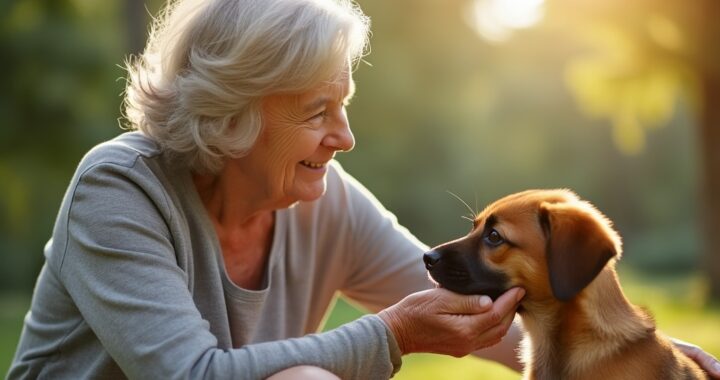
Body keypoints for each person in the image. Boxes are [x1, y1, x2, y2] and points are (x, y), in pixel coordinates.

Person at [7, 0, 719, 379]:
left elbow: (474, 312)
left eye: (344, 107)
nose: (345, 137)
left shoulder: (324, 199)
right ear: (234, 112)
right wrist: (392, 332)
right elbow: (193, 376)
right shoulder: (120, 191)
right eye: (319, 111)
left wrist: (672, 363)